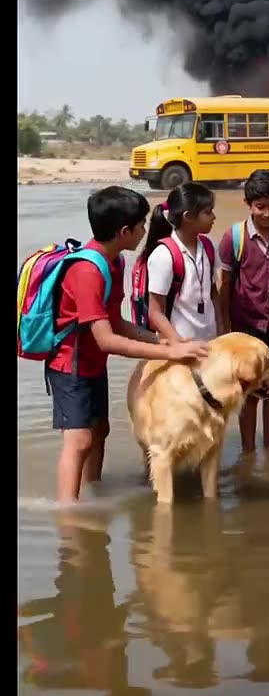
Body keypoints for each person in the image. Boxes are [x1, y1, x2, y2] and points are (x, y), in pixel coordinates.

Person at [46, 186, 209, 504]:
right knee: (79, 440)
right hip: (69, 364)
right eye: (141, 225)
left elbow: (116, 322)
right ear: (124, 232)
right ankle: (69, 515)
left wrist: (160, 339)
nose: (145, 231)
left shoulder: (114, 262)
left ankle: (92, 491)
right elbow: (106, 339)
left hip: (92, 362)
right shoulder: (87, 271)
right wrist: (169, 352)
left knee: (99, 430)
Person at [218, 169, 269, 453]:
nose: (267, 213)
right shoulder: (235, 237)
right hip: (245, 327)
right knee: (248, 391)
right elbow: (224, 285)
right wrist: (224, 329)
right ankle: (248, 451)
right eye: (260, 207)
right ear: (248, 204)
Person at [143, 182, 222, 342]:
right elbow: (155, 312)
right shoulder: (164, 255)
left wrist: (222, 331)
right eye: (208, 212)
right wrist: (178, 344)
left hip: (210, 341)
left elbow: (213, 293)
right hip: (180, 343)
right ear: (188, 217)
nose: (214, 217)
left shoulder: (209, 247)